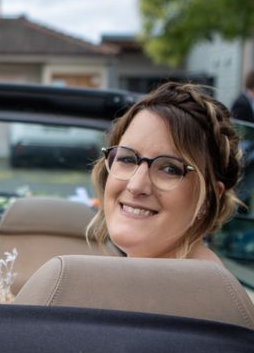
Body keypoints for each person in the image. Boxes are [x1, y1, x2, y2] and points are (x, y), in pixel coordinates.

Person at [87, 81, 243, 263]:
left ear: (208, 197)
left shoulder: (199, 289)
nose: (136, 186)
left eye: (170, 169)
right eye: (127, 159)